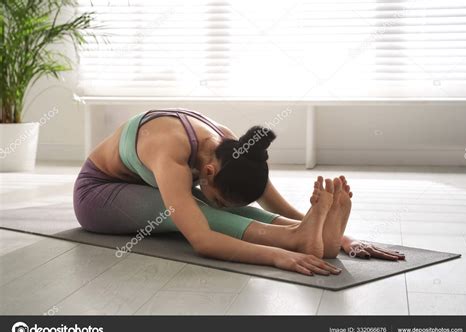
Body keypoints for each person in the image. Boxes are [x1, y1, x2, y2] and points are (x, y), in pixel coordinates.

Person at [73, 108, 404, 276]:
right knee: (201, 212)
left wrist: (343, 240)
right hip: (98, 194)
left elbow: (270, 201)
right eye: (217, 191)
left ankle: (307, 236)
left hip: (141, 189)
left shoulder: (231, 148)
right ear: (208, 172)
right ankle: (294, 240)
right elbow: (201, 240)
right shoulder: (169, 152)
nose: (219, 197)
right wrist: (280, 256)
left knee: (221, 208)